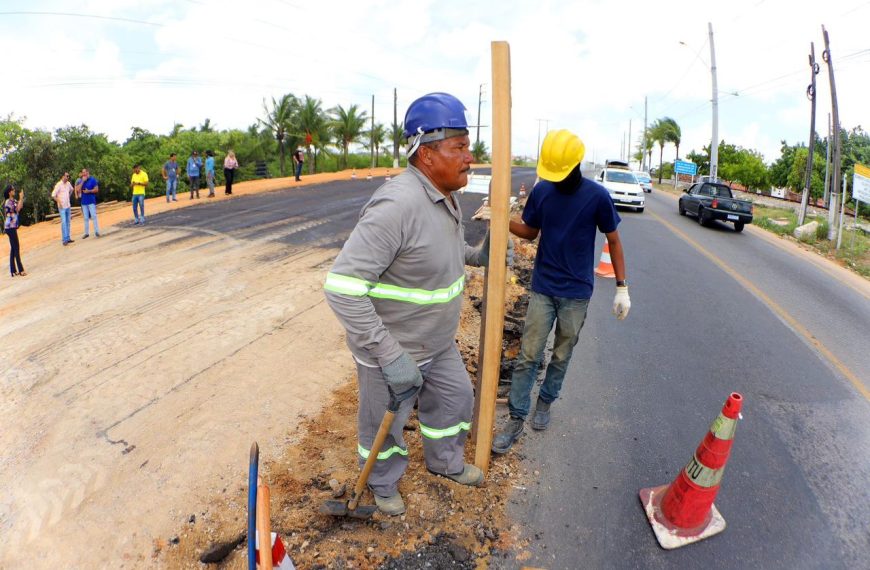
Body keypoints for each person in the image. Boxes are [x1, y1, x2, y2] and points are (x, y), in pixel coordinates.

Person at [324, 92, 503, 516]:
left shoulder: (445, 196)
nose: (469, 157)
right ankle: (383, 483)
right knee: (382, 428)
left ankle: (444, 462)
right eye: (458, 147)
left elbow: (445, 252)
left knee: (457, 398)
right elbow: (342, 287)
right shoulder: (398, 204)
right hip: (394, 349)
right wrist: (389, 356)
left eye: (467, 146)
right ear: (426, 154)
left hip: (436, 344)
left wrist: (482, 253)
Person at [489, 129, 630, 455]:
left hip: (576, 292)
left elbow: (614, 241)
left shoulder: (597, 196)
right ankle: (516, 417)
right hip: (543, 287)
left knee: (562, 353)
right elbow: (530, 232)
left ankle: (546, 401)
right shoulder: (543, 193)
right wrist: (502, 218)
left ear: (576, 165)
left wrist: (622, 287)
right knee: (528, 355)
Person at [3, 184, 26, 276]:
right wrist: (21, 198)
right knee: (16, 247)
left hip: (12, 227)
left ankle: (13, 270)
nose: (14, 191)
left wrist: (21, 198)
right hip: (10, 227)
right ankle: (21, 270)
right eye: (13, 190)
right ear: (9, 192)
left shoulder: (13, 200)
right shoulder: (8, 202)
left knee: (13, 248)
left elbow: (19, 208)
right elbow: (16, 209)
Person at [75, 168, 101, 238]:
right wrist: (82, 182)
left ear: (87, 172)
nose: (83, 174)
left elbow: (96, 190)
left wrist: (89, 191)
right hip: (84, 202)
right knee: (86, 218)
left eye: (84, 172)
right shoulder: (81, 180)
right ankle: (86, 233)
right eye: (82, 172)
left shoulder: (93, 180)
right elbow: (77, 190)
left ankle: (97, 231)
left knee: (93, 216)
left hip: (91, 201)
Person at [51, 172, 75, 245]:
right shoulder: (58, 185)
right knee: (64, 222)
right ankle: (64, 239)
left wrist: (68, 196)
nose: (68, 177)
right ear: (62, 176)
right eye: (66, 176)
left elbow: (72, 189)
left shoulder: (68, 184)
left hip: (68, 205)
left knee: (68, 222)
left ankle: (68, 238)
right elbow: (53, 195)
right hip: (62, 207)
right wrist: (59, 202)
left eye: (68, 176)